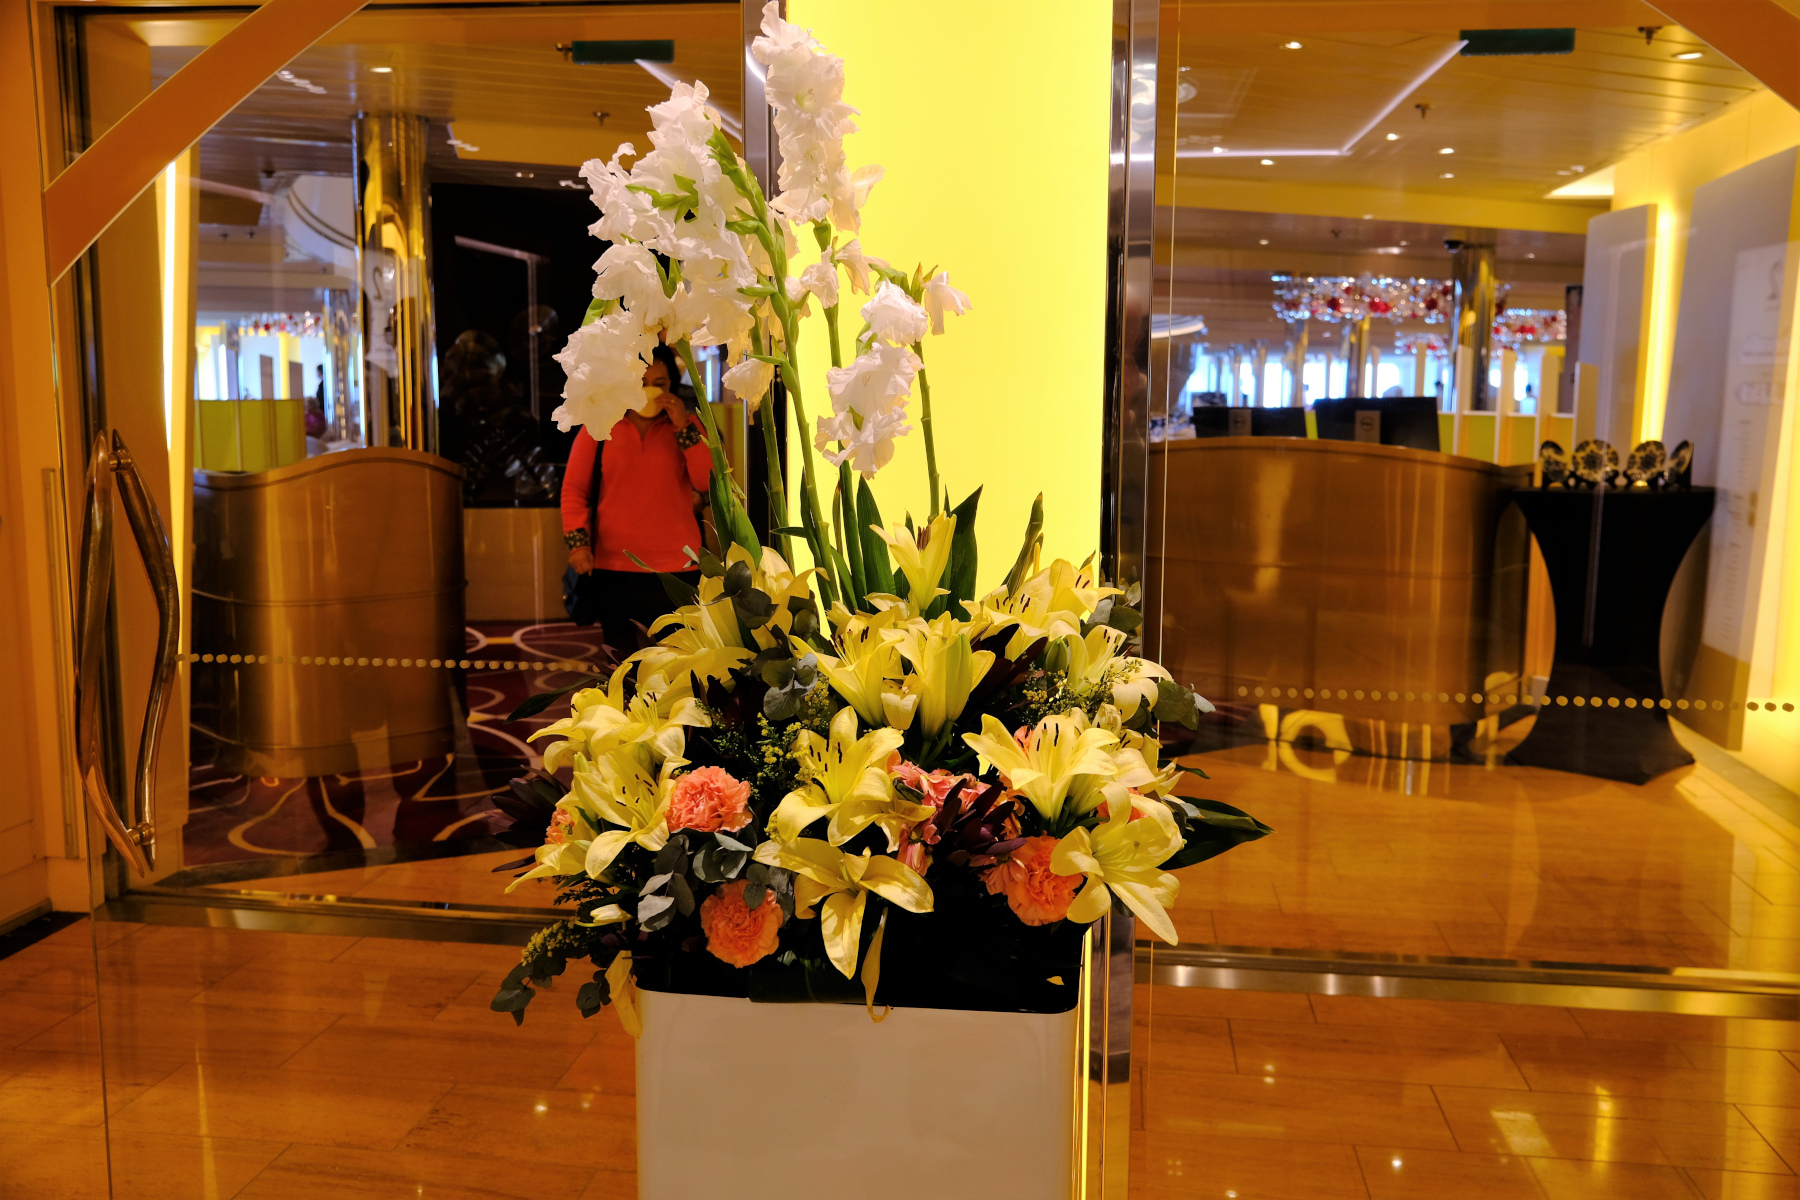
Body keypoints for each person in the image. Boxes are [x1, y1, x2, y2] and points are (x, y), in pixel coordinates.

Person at [561, 343, 711, 660]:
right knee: (623, 663)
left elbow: (706, 481)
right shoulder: (600, 425)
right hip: (614, 567)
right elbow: (574, 489)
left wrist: (683, 425)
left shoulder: (687, 426)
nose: (650, 391)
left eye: (660, 384)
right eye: (641, 383)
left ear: (671, 386)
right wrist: (578, 545)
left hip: (679, 567)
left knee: (679, 664)